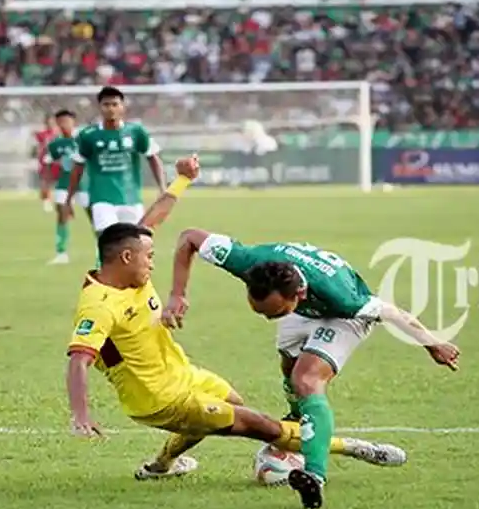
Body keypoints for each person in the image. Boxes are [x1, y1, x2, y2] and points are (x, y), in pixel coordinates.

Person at [66, 156, 407, 488]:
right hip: (158, 397)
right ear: (127, 257)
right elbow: (79, 359)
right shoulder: (99, 305)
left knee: (232, 404)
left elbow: (151, 221)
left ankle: (162, 465)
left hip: (181, 374)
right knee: (263, 427)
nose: (153, 264)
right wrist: (81, 415)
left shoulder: (120, 265)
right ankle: (355, 448)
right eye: (149, 257)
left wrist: (182, 179)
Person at [161, 231, 460, 509]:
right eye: (261, 312)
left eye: (274, 313)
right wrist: (177, 293)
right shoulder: (248, 261)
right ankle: (298, 421)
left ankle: (314, 476)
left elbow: (393, 313)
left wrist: (433, 344)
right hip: (302, 312)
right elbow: (190, 237)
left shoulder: (344, 298)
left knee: (306, 380)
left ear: (299, 293)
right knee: (289, 369)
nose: (267, 319)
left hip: (342, 318)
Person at [62, 87, 165, 240]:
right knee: (108, 242)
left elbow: (153, 157)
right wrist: (68, 199)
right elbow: (77, 168)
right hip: (101, 199)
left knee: (133, 243)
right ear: (99, 107)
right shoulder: (88, 135)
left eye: (115, 104)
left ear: (122, 107)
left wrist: (162, 188)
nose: (110, 108)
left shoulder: (136, 132)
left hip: (131, 199)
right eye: (106, 104)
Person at [41, 109, 89, 265]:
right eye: (60, 122)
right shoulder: (56, 144)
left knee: (94, 216)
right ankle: (61, 253)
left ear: (74, 122)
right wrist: (45, 185)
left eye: (66, 121)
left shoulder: (84, 139)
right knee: (61, 212)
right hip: (65, 182)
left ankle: (104, 251)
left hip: (84, 183)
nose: (63, 124)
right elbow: (48, 164)